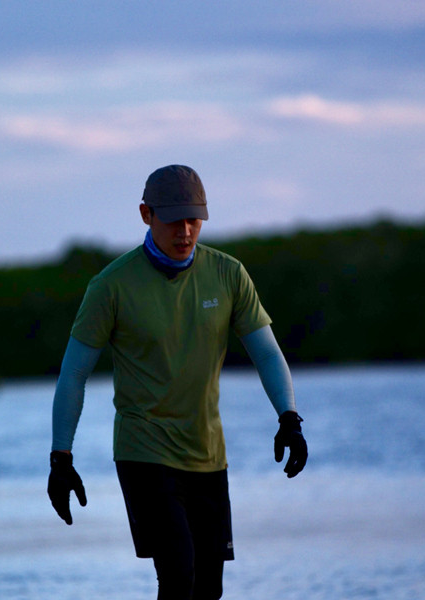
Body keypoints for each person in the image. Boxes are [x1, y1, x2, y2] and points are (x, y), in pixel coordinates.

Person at [47, 165, 308, 600]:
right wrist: (61, 459)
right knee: (179, 575)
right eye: (174, 220)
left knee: (208, 589)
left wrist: (290, 418)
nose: (186, 231)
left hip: (207, 454)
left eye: (195, 219)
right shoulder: (111, 286)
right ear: (146, 214)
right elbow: (74, 373)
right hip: (144, 450)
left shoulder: (227, 274)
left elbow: (266, 352)